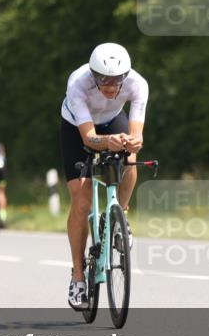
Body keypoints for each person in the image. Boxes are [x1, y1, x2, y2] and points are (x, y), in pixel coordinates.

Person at [60, 43, 148, 309]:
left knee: (130, 161)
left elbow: (137, 134)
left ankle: (120, 216)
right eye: (103, 81)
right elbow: (88, 137)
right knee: (82, 200)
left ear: (126, 75)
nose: (111, 87)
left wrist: (132, 143)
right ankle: (78, 277)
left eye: (116, 81)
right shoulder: (78, 82)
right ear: (93, 74)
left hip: (112, 119)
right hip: (77, 126)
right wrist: (108, 141)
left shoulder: (138, 84)